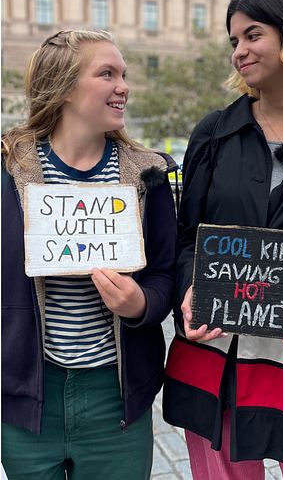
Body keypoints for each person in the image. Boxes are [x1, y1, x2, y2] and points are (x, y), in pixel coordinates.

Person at [162, 0, 283, 480]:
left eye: (252, 35)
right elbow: (186, 236)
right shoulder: (213, 135)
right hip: (215, 356)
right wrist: (191, 286)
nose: (239, 51)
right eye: (233, 41)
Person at [1, 29, 177, 478]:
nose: (124, 86)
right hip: (26, 395)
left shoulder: (146, 175)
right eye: (107, 74)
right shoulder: (9, 172)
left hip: (115, 398)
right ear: (62, 88)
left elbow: (164, 273)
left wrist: (141, 304)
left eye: (124, 74)